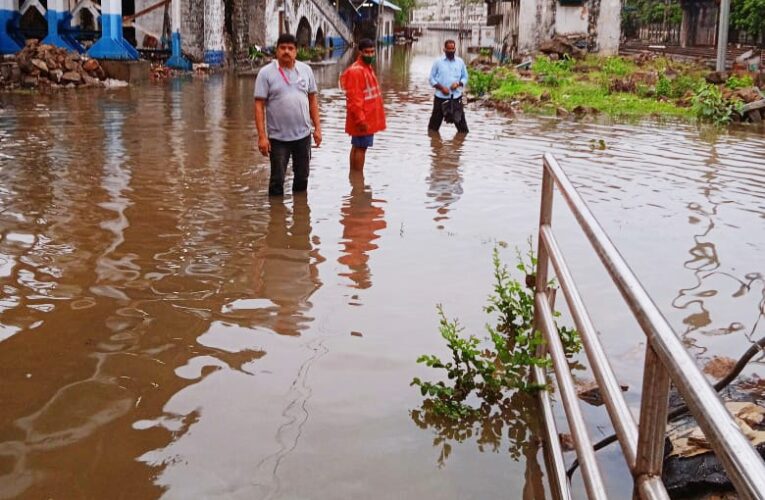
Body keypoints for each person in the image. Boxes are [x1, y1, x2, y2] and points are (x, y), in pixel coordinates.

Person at [254, 33, 322, 196]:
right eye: (282, 48)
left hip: (303, 136)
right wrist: (262, 137)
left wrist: (318, 128)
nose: (286, 51)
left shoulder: (306, 70)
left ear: (296, 51)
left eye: (290, 48)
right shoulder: (265, 73)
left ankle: (300, 215)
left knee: (302, 179)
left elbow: (312, 101)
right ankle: (276, 218)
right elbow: (259, 106)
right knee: (277, 181)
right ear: (276, 51)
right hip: (278, 139)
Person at [340, 38, 386, 172]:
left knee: (357, 146)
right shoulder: (357, 71)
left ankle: (354, 178)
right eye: (367, 52)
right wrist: (361, 120)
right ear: (360, 52)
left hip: (367, 116)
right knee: (361, 148)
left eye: (372, 52)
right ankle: (358, 181)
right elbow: (355, 99)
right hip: (362, 117)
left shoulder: (366, 68)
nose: (370, 55)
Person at [427, 39, 469, 134]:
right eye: (448, 49)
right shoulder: (438, 62)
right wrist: (441, 88)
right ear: (444, 49)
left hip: (456, 98)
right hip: (440, 98)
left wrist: (458, 83)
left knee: (462, 128)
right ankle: (434, 145)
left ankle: (460, 146)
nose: (450, 51)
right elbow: (431, 78)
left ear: (455, 49)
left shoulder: (460, 62)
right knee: (433, 127)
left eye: (452, 49)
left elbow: (465, 77)